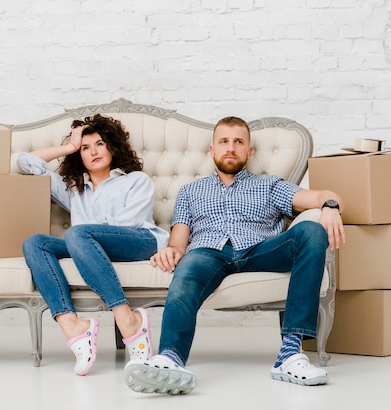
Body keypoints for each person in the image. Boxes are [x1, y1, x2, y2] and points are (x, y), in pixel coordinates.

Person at [124, 116, 346, 394]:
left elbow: (318, 196)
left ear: (249, 151)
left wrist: (330, 205)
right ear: (212, 150)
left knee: (312, 230)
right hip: (208, 252)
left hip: (260, 250)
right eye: (224, 142)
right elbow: (178, 244)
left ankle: (289, 355)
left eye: (239, 142)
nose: (231, 148)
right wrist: (169, 252)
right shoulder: (190, 192)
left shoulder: (269, 185)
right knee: (187, 269)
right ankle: (170, 359)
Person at [18, 114, 169, 376]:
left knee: (77, 234)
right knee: (35, 243)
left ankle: (128, 319)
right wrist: (69, 147)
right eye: (85, 148)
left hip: (139, 243)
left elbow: (128, 225)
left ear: (112, 146)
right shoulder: (74, 189)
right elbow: (26, 162)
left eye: (99, 144)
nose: (93, 152)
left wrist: (86, 231)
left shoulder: (136, 180)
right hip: (86, 246)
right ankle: (74, 326)